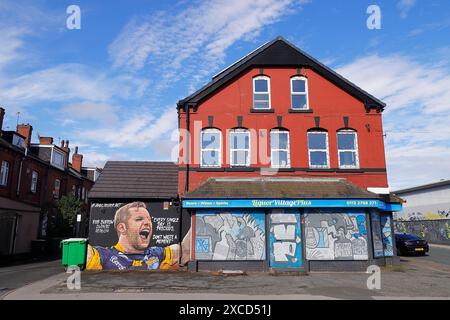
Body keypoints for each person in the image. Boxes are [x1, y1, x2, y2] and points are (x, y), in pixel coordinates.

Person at [86, 201, 190, 270]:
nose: (147, 223)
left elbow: (186, 249)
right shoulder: (103, 256)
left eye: (149, 219)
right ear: (122, 228)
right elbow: (81, 254)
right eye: (139, 219)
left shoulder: (158, 254)